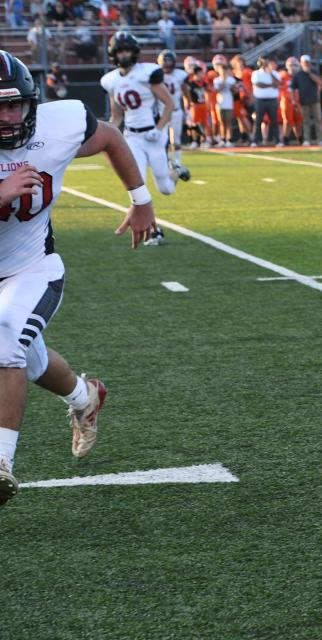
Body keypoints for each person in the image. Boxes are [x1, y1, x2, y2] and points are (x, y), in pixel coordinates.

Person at [0, 50, 158, 506]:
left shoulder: (58, 122)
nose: (11, 116)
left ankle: (2, 463)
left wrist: (141, 199)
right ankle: (85, 396)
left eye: (17, 104)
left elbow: (109, 136)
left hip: (31, 267)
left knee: (7, 339)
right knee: (28, 361)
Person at [100, 32, 187, 247]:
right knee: (138, 186)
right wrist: (106, 135)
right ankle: (155, 231)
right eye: (120, 51)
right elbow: (117, 115)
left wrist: (159, 129)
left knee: (166, 189)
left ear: (134, 51)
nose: (124, 54)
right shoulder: (110, 80)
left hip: (154, 136)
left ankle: (174, 171)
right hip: (132, 137)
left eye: (127, 50)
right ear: (113, 53)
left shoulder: (148, 73)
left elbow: (169, 104)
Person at [158, 50, 190, 169]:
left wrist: (188, 105)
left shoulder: (179, 75)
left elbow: (185, 90)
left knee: (175, 140)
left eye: (169, 61)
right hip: (162, 112)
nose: (167, 64)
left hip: (176, 111)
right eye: (165, 61)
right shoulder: (157, 74)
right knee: (162, 139)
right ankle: (163, 162)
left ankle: (177, 162)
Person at [292, 55, 322, 145]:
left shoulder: (314, 71)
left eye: (307, 62)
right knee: (305, 121)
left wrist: (309, 74)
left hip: (315, 100)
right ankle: (307, 139)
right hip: (303, 101)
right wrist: (294, 101)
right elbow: (293, 88)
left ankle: (320, 139)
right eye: (304, 62)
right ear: (301, 63)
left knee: (318, 120)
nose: (306, 64)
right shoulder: (298, 75)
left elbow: (320, 82)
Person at [251, 56, 281, 147]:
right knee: (258, 121)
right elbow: (258, 84)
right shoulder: (256, 73)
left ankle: (277, 141)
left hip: (272, 100)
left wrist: (270, 73)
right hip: (260, 100)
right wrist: (271, 85)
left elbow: (277, 84)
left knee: (274, 121)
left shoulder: (274, 73)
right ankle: (255, 141)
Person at [212, 54, 237, 146]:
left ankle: (229, 139)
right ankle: (222, 139)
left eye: (225, 70)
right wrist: (224, 81)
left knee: (229, 122)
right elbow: (217, 90)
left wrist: (233, 87)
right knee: (222, 122)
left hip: (229, 102)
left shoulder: (231, 80)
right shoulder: (217, 80)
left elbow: (235, 92)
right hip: (220, 103)